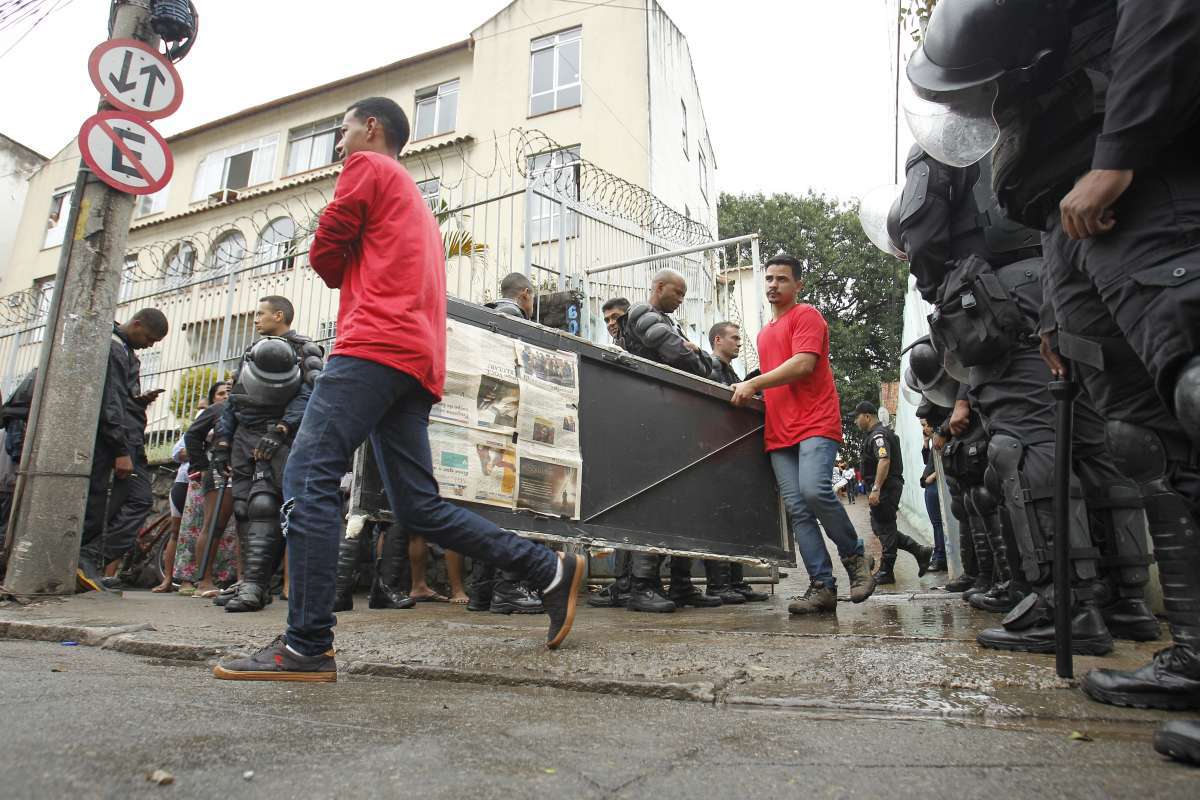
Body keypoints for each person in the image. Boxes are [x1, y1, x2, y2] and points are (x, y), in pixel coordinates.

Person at [214, 96, 582, 681]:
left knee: (306, 475)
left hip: (373, 346)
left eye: (342, 132)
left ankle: (306, 644)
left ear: (371, 128)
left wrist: (335, 248)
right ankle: (545, 568)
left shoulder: (367, 168)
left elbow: (325, 258)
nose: (338, 146)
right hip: (415, 361)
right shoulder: (411, 196)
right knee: (418, 506)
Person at [729, 255, 875, 614]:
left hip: (815, 422)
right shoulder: (764, 335)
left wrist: (754, 382)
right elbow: (774, 381)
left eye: (782, 279)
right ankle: (822, 586)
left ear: (798, 285)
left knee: (814, 491)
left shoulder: (806, 316)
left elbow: (803, 364)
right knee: (797, 510)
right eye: (769, 279)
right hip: (779, 433)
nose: (773, 285)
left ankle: (856, 558)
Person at [209, 296, 323, 613]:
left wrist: (283, 429)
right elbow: (236, 397)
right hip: (245, 438)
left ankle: (256, 583)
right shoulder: (251, 352)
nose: (255, 319)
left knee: (265, 505)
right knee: (244, 508)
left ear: (279, 315)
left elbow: (311, 392)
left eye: (260, 314)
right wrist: (222, 441)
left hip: (277, 437)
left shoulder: (305, 349)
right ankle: (251, 582)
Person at [619, 269, 719, 613]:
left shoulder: (666, 321)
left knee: (681, 503)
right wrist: (697, 356)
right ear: (659, 287)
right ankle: (642, 585)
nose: (681, 299)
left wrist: (697, 355)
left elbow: (697, 359)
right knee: (655, 503)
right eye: (677, 293)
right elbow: (681, 356)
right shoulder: (642, 313)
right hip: (651, 419)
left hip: (670, 420)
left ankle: (680, 582)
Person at [77, 309, 169, 591]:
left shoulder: (128, 353)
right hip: (116, 442)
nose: (150, 344)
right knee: (101, 504)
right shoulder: (114, 349)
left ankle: (90, 557)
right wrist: (120, 450)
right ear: (137, 324)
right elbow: (109, 403)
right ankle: (83, 559)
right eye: (149, 338)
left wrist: (139, 402)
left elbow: (121, 400)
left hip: (129, 439)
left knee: (137, 500)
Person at [702, 321, 766, 604]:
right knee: (720, 520)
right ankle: (719, 584)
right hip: (717, 452)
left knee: (732, 519)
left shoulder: (728, 369)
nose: (740, 342)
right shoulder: (714, 367)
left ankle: (734, 581)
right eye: (735, 337)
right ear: (718, 340)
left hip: (727, 452)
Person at [855, 401, 931, 585]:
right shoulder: (875, 434)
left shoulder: (878, 435)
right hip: (887, 486)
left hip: (886, 487)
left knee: (886, 527)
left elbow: (884, 460)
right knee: (879, 527)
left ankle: (887, 571)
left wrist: (876, 488)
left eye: (857, 417)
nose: (856, 422)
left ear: (867, 416)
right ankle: (919, 551)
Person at [919, 416, 948, 573]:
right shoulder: (932, 444)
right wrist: (925, 442)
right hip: (929, 487)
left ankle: (940, 557)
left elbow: (945, 460)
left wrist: (934, 475)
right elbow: (926, 461)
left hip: (935, 486)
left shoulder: (941, 441)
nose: (924, 429)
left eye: (925, 425)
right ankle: (938, 556)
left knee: (938, 524)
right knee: (936, 523)